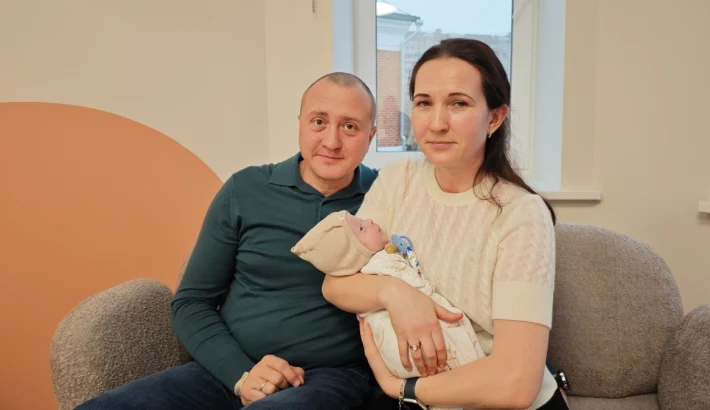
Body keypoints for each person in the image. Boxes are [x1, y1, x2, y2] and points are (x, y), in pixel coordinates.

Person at [74, 72, 395, 410]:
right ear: (300, 123)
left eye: (350, 127)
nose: (331, 141)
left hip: (329, 377)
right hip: (228, 370)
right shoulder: (245, 189)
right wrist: (241, 374)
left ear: (371, 136)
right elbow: (192, 302)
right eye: (318, 122)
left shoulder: (386, 199)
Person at [321, 38, 569, 410]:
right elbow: (335, 284)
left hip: (485, 400)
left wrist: (401, 389)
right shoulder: (398, 179)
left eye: (458, 103)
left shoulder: (521, 214)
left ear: (495, 117)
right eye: (424, 103)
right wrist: (397, 294)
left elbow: (516, 383)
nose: (437, 124)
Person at [291, 210, 484, 387]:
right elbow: (416, 286)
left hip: (399, 365)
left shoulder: (365, 274)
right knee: (458, 350)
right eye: (361, 228)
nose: (369, 220)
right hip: (414, 346)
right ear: (354, 252)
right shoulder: (381, 264)